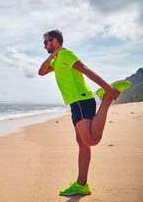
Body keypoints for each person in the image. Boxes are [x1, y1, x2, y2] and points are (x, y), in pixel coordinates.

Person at [38, 29, 131, 196]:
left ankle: (106, 99)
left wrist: (107, 88)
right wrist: (52, 56)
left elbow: (85, 69)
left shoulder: (65, 55)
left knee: (91, 140)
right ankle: (82, 184)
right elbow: (41, 71)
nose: (44, 45)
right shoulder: (57, 59)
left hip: (81, 99)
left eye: (46, 42)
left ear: (55, 41)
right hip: (75, 103)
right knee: (82, 142)